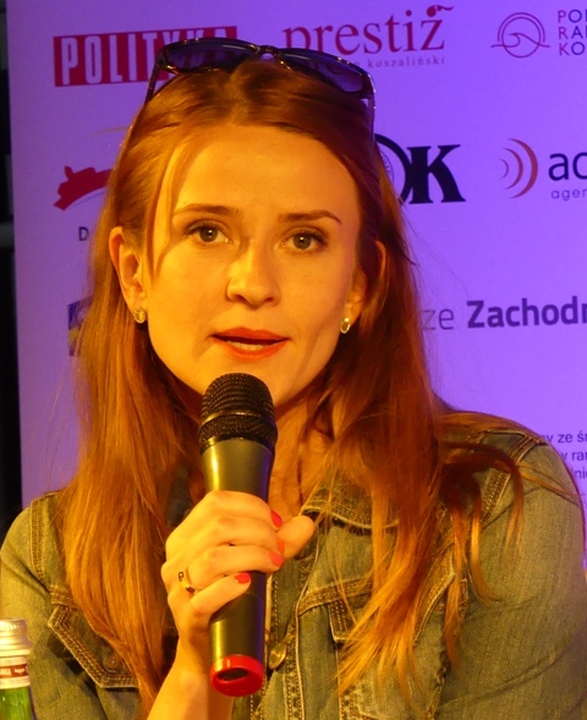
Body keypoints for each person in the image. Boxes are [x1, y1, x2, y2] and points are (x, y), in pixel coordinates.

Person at [1, 38, 586, 719]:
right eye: (207, 232)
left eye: (304, 239)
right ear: (134, 274)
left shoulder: (495, 507)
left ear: (358, 287)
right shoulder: (48, 559)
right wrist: (192, 678)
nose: (253, 283)